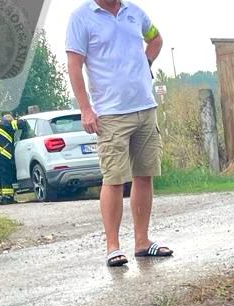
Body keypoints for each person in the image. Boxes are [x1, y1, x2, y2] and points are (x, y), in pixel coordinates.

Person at [65, 0, 174, 267]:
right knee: (113, 179)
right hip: (110, 112)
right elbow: (74, 66)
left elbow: (156, 38)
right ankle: (112, 246)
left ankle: (142, 241)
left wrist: (145, 61)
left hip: (145, 106)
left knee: (144, 174)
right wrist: (85, 109)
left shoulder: (134, 13)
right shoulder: (81, 18)